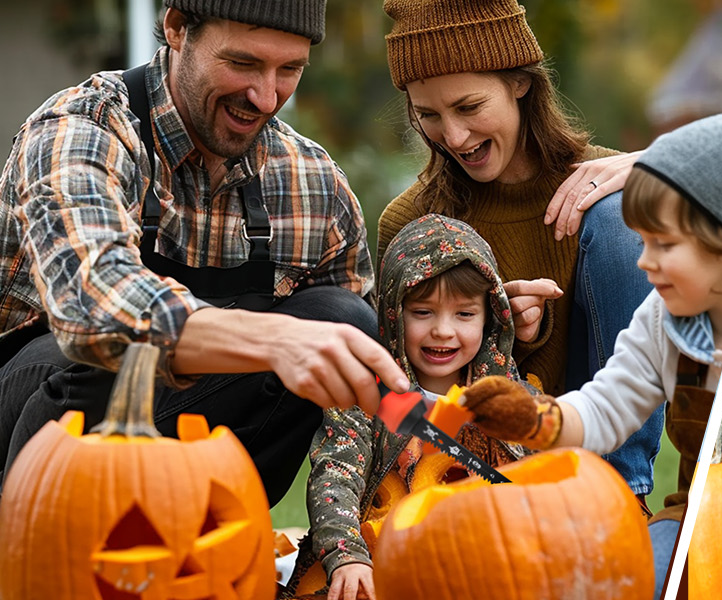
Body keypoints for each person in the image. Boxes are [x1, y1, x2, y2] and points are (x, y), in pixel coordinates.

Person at [0, 0, 410, 505]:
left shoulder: (313, 181)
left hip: (195, 459)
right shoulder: (83, 128)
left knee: (342, 324)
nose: (264, 97)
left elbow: (360, 387)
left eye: (289, 70)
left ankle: (212, 540)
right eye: (242, 63)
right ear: (176, 28)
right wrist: (272, 339)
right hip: (43, 420)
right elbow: (93, 301)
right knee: (114, 351)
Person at [451, 107, 722, 598]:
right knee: (623, 582)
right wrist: (536, 417)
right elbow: (606, 407)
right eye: (643, 242)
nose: (645, 261)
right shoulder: (664, 316)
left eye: (663, 244)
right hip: (697, 512)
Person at [378, 0, 662, 497]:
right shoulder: (411, 224)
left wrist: (664, 167)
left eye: (468, 107)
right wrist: (495, 329)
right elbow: (392, 396)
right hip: (484, 464)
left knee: (625, 210)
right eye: (429, 115)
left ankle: (622, 493)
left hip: (596, 435)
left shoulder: (608, 178)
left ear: (520, 83)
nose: (454, 135)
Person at [286, 214, 526, 600]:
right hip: (378, 560)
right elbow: (336, 472)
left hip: (478, 564)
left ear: (490, 317)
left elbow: (537, 478)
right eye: (423, 312)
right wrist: (345, 553)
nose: (443, 330)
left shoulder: (503, 397)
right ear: (394, 315)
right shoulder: (367, 395)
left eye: (464, 314)